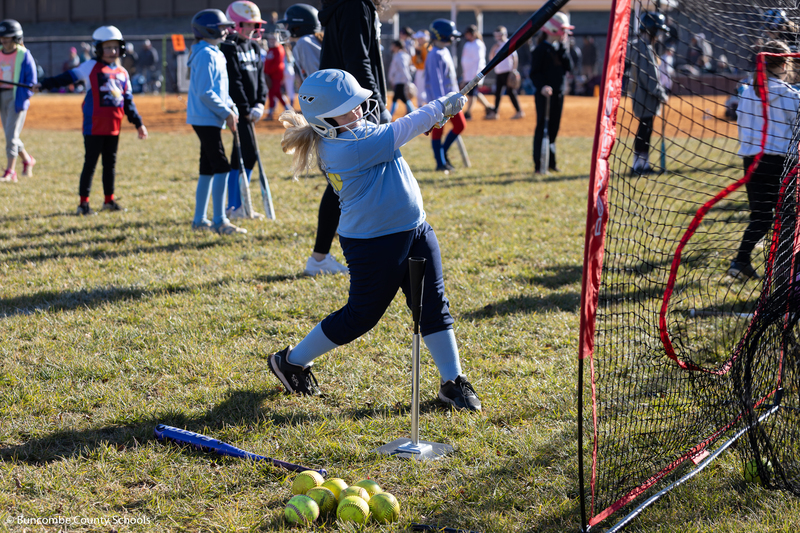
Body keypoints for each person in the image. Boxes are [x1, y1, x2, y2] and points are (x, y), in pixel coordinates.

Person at [272, 68, 481, 411]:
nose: (358, 110)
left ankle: (452, 382)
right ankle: (291, 361)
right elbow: (405, 127)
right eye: (348, 107)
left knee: (432, 305)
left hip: (415, 228)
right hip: (373, 243)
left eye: (357, 103)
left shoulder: (355, 132)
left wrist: (438, 115)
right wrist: (442, 106)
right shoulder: (346, 148)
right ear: (324, 120)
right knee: (361, 316)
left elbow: (395, 131)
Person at [36, 25, 148, 214]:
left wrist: (139, 124)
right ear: (97, 48)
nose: (112, 51)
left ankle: (109, 200)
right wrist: (44, 84)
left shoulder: (123, 73)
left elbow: (128, 102)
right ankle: (83, 204)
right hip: (94, 127)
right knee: (90, 164)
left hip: (113, 127)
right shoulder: (89, 67)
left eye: (115, 47)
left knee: (110, 165)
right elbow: (66, 78)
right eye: (107, 47)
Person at [730, 40, 800, 280]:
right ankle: (784, 272)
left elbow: (741, 123)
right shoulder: (789, 95)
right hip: (779, 163)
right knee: (787, 218)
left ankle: (740, 261)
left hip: (751, 161)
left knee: (760, 216)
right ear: (784, 63)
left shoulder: (748, 91)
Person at [187, 9, 246, 235]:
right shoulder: (205, 55)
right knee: (221, 166)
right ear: (208, 29)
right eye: (221, 27)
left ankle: (199, 219)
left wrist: (230, 106)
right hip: (205, 118)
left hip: (211, 116)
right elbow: (205, 92)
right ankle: (220, 220)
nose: (225, 31)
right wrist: (226, 112)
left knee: (207, 168)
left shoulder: (214, 52)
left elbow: (219, 90)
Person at [220, 0, 269, 220]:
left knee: (242, 156)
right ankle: (236, 205)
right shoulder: (229, 48)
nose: (252, 29)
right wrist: (246, 109)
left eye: (254, 25)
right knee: (246, 156)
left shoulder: (254, 46)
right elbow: (234, 81)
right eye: (247, 24)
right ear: (234, 24)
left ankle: (237, 205)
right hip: (239, 112)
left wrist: (260, 102)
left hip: (251, 110)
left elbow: (260, 78)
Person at [530, 12, 573, 174]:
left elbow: (569, 67)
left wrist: (563, 48)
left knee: (554, 128)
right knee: (543, 127)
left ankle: (551, 162)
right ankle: (539, 164)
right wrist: (542, 86)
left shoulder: (560, 49)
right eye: (563, 30)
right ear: (553, 30)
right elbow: (534, 73)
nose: (565, 33)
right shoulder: (540, 50)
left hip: (559, 94)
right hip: (544, 96)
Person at [629, 12, 669, 175]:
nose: (659, 35)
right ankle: (638, 165)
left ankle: (642, 164)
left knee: (645, 131)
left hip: (641, 96)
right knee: (644, 131)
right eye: (657, 31)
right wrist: (661, 94)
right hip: (645, 97)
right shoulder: (644, 48)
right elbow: (649, 77)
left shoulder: (641, 46)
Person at [425, 19, 465, 172]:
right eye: (450, 35)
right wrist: (442, 104)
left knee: (460, 125)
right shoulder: (434, 54)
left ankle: (442, 152)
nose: (453, 38)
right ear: (441, 35)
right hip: (442, 101)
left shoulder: (445, 51)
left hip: (452, 99)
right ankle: (440, 163)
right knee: (438, 130)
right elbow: (436, 82)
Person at [0, 19, 36, 183]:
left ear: (16, 37)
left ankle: (10, 171)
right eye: (2, 37)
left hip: (16, 98)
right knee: (10, 135)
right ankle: (28, 160)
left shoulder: (24, 55)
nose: (4, 41)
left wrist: (26, 93)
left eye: (7, 37)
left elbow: (31, 80)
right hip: (2, 96)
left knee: (11, 135)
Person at [277, 3, 323, 83]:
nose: (285, 28)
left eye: (287, 24)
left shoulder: (304, 42)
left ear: (297, 26)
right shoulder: (309, 41)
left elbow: (317, 80)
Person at [486, 26, 523, 120]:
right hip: (499, 72)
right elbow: (491, 59)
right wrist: (493, 49)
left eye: (500, 35)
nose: (499, 37)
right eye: (497, 35)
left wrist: (513, 71)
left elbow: (515, 58)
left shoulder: (508, 43)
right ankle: (495, 113)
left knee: (511, 92)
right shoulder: (496, 46)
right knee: (498, 93)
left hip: (508, 72)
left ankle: (519, 111)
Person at [460, 24, 492, 120]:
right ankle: (489, 108)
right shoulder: (467, 44)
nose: (466, 36)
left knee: (472, 93)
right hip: (468, 73)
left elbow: (479, 60)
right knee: (475, 92)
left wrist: (477, 74)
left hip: (475, 73)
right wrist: (464, 73)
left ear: (473, 34)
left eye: (468, 34)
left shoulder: (478, 44)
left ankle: (468, 113)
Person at [388, 39, 415, 117]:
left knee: (396, 98)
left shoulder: (400, 56)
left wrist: (407, 80)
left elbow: (404, 69)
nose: (391, 47)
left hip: (400, 81)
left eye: (393, 46)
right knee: (403, 98)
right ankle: (413, 112)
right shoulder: (399, 55)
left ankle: (390, 116)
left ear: (397, 46)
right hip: (399, 80)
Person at [263, 31, 286, 120]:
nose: (271, 41)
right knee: (277, 93)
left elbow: (277, 64)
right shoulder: (271, 49)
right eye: (270, 39)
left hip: (276, 76)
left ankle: (270, 114)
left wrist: (267, 72)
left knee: (272, 93)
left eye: (273, 39)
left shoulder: (278, 49)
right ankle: (288, 108)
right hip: (270, 76)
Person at [412, 30, 430, 106]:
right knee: (420, 90)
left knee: (422, 91)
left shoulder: (426, 47)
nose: (418, 40)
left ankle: (423, 105)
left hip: (423, 70)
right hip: (421, 70)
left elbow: (422, 62)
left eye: (420, 38)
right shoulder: (421, 47)